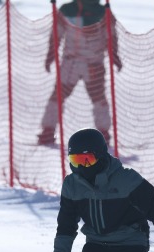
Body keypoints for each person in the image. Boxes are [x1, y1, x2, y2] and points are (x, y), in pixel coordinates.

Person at [37, 0, 122, 146]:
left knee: (97, 98)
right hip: (72, 63)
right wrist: (50, 55)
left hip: (92, 64)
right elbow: (56, 35)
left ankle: (103, 133)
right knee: (59, 96)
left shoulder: (103, 12)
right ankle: (48, 131)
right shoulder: (68, 9)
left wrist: (115, 56)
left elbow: (111, 36)